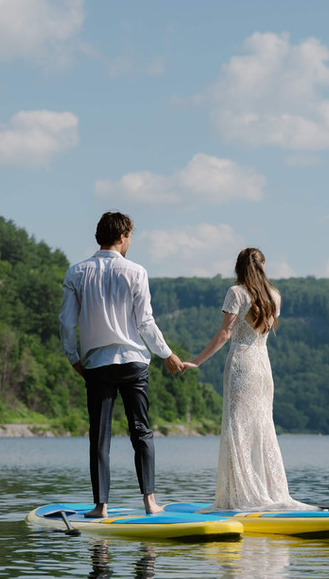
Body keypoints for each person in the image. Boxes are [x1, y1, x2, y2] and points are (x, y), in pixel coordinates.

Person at [59, 211, 185, 518]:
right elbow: (145, 323)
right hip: (132, 363)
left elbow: (66, 322)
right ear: (122, 236)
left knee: (99, 436)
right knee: (141, 432)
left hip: (97, 364)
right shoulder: (136, 271)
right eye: (130, 236)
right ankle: (150, 503)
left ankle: (100, 506)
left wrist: (73, 358)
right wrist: (167, 354)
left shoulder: (76, 272)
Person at [182, 248, 315, 511]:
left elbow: (225, 334)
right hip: (263, 367)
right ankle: (267, 491)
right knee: (262, 427)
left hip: (242, 365)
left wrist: (196, 361)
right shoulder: (275, 296)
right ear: (263, 266)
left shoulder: (237, 293)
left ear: (239, 267)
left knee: (238, 427)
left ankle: (242, 497)